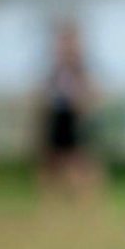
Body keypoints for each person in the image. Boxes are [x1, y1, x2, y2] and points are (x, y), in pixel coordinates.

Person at [38, 21, 101, 196]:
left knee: (80, 161)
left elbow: (92, 93)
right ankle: (54, 203)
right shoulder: (56, 68)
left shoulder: (80, 67)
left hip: (75, 116)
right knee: (52, 162)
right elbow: (47, 93)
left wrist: (85, 106)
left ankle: (87, 198)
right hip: (59, 115)